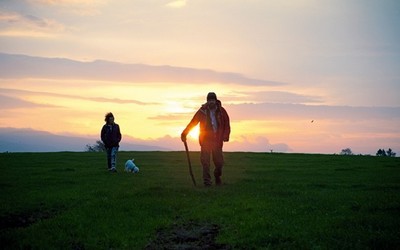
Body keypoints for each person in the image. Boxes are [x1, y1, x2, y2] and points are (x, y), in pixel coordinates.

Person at [181, 92, 230, 186]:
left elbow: (226, 124)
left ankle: (217, 176)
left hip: (217, 140)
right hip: (205, 140)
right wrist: (185, 133)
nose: (211, 102)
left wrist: (225, 135)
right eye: (209, 100)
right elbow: (193, 122)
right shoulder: (202, 111)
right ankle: (207, 182)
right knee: (205, 162)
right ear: (207, 101)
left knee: (219, 163)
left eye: (213, 100)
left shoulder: (222, 111)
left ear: (216, 101)